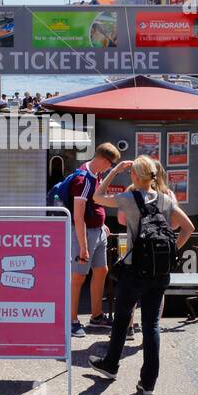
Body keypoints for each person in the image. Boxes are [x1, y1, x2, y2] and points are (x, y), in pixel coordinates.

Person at [88, 156, 195, 395]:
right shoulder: (166, 200)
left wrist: (114, 171)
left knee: (122, 318)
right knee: (152, 325)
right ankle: (148, 383)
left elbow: (96, 197)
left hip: (134, 270)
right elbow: (189, 228)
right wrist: (173, 250)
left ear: (135, 176)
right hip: (160, 271)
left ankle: (111, 365)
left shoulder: (129, 199)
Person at [65, 142, 120, 337]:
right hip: (85, 234)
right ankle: (71, 320)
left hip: (97, 231)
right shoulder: (83, 179)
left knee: (101, 270)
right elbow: (78, 217)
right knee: (78, 277)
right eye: (110, 164)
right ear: (104, 160)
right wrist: (83, 247)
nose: (110, 168)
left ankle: (96, 316)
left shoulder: (96, 175)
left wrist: (101, 224)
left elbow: (95, 202)